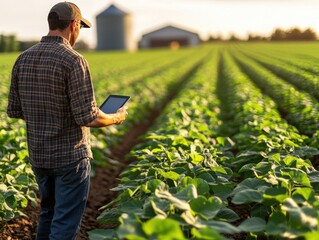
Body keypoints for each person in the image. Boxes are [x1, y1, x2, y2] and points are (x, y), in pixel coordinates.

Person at [7, 2, 128, 239]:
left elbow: (14, 110)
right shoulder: (73, 60)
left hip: (39, 156)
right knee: (64, 222)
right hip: (69, 158)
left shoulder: (23, 58)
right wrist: (115, 117)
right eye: (79, 27)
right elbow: (88, 116)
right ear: (73, 25)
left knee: (47, 213)